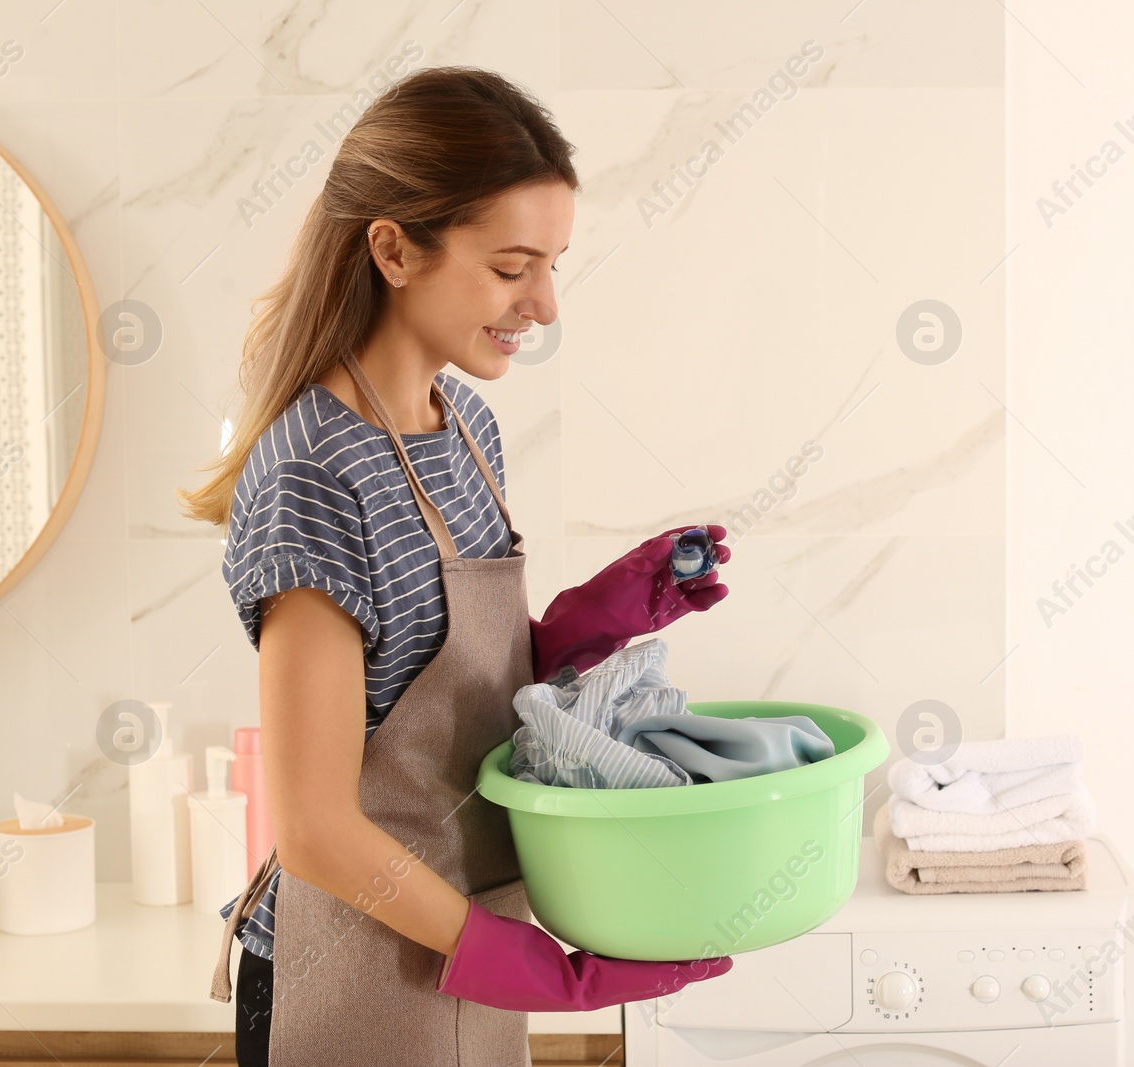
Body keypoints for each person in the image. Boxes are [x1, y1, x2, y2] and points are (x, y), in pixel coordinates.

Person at [178, 65, 733, 1066]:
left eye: (555, 263)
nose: (546, 304)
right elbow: (312, 826)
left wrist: (591, 621)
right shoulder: (313, 471)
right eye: (513, 265)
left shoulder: (464, 425)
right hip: (346, 963)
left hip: (458, 933)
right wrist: (521, 963)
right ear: (393, 248)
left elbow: (445, 690)